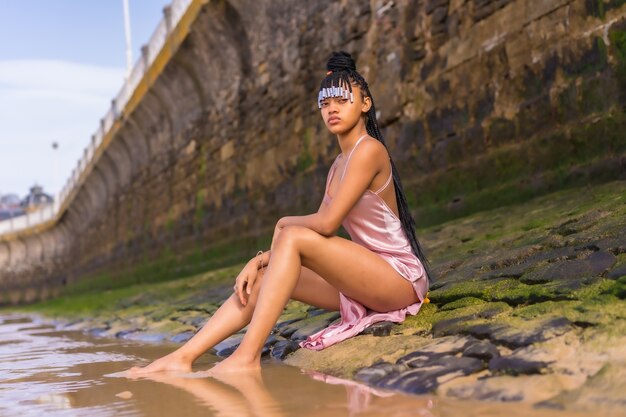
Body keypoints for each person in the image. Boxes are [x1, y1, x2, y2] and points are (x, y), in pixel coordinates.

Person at [129, 50, 433, 375]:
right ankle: (184, 356)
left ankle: (245, 358)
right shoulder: (337, 166)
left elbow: (326, 225)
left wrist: (282, 223)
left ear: (365, 104)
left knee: (292, 234)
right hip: (364, 279)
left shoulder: (369, 150)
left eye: (342, 100)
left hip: (398, 279)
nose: (331, 108)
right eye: (325, 103)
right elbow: (312, 235)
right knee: (261, 278)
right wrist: (259, 260)